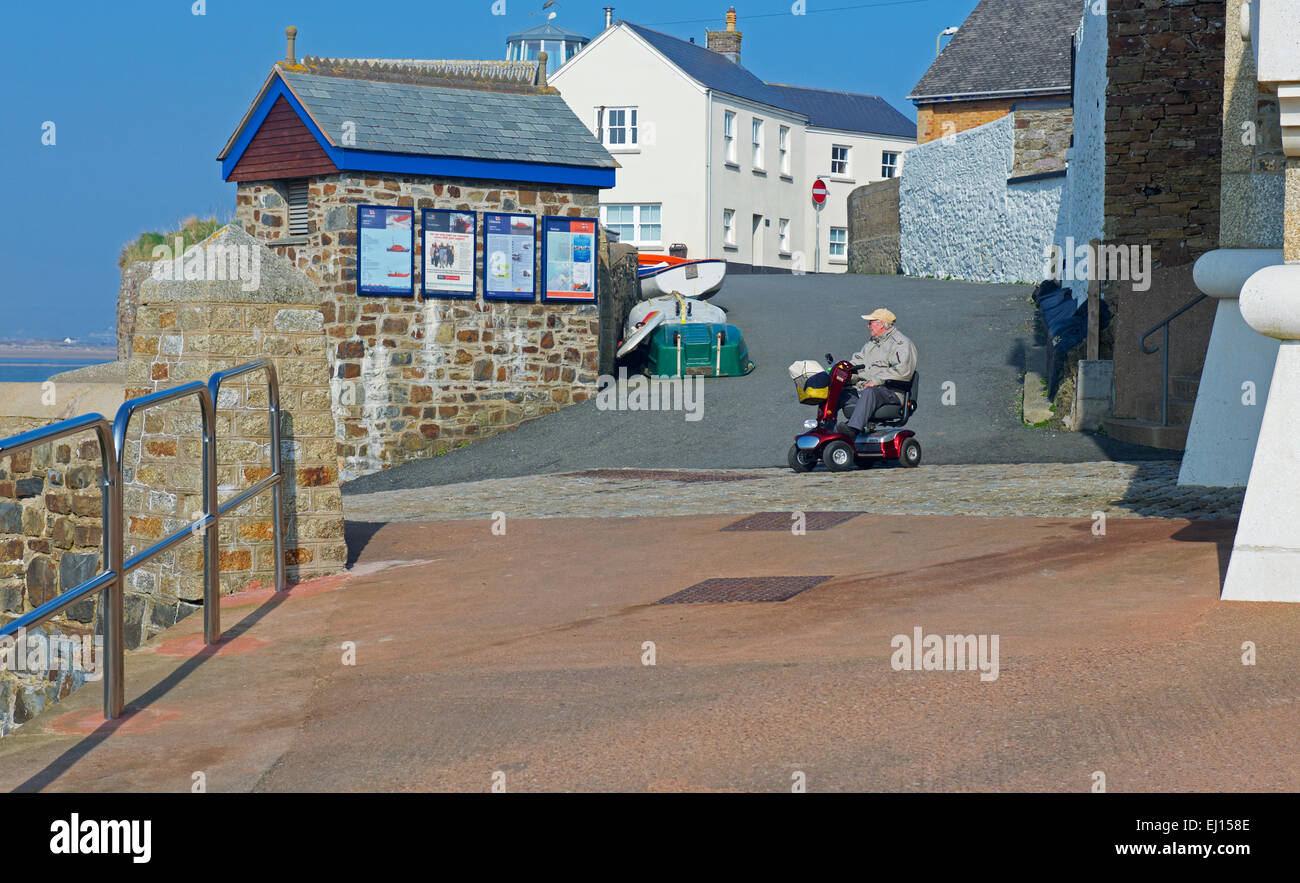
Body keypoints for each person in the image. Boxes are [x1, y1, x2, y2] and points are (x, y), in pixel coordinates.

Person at [839, 308, 917, 438]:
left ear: (881, 324)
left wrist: (876, 381)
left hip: (891, 392)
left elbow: (904, 371)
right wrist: (842, 374)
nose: (868, 326)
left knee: (871, 391)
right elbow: (856, 365)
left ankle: (852, 430)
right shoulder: (871, 345)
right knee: (837, 391)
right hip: (865, 391)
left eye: (871, 322)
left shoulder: (902, 344)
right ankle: (824, 428)